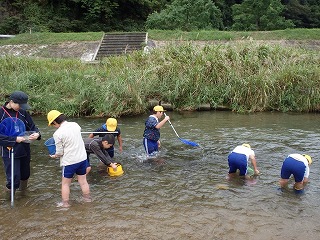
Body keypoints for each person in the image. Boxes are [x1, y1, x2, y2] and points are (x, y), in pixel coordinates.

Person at [0, 91, 41, 195]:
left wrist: (37, 134)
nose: (21, 107)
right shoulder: (1, 113)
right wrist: (14, 139)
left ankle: (23, 194)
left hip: (24, 148)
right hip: (9, 150)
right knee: (14, 178)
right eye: (19, 105)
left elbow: (32, 127)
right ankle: (10, 198)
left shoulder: (23, 113)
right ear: (11, 102)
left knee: (25, 174)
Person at [47, 110, 90, 208]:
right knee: (83, 182)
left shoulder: (57, 134)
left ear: (54, 122)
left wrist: (55, 156)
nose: (53, 126)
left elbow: (60, 152)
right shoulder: (75, 125)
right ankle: (87, 200)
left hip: (70, 162)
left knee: (65, 184)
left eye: (52, 124)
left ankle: (65, 204)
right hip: (82, 158)